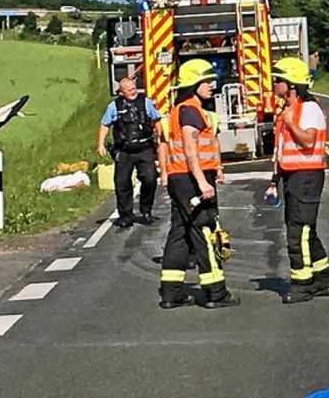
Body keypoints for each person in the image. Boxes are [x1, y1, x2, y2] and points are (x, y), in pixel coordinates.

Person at [158, 59, 238, 310]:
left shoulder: (179, 109)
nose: (212, 86)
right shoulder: (190, 110)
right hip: (193, 179)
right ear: (193, 84)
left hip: (179, 178)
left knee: (179, 232)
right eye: (206, 81)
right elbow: (191, 150)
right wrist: (203, 182)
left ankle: (172, 292)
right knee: (204, 230)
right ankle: (216, 292)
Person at [266, 57, 329, 304]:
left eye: (279, 80)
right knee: (307, 230)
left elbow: (307, 140)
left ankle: (302, 285)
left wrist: (290, 122)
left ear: (292, 84)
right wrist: (274, 180)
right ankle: (322, 280)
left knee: (299, 233)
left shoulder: (309, 109)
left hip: (307, 176)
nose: (275, 84)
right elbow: (282, 149)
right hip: (291, 176)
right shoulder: (288, 110)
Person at [97, 77, 162, 228]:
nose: (134, 92)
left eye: (134, 88)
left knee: (150, 178)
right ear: (122, 92)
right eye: (130, 90)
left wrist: (160, 138)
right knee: (121, 183)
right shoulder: (114, 106)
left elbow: (156, 119)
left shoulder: (145, 102)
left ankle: (146, 209)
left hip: (144, 148)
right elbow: (105, 124)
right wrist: (100, 144)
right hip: (124, 151)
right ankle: (126, 215)